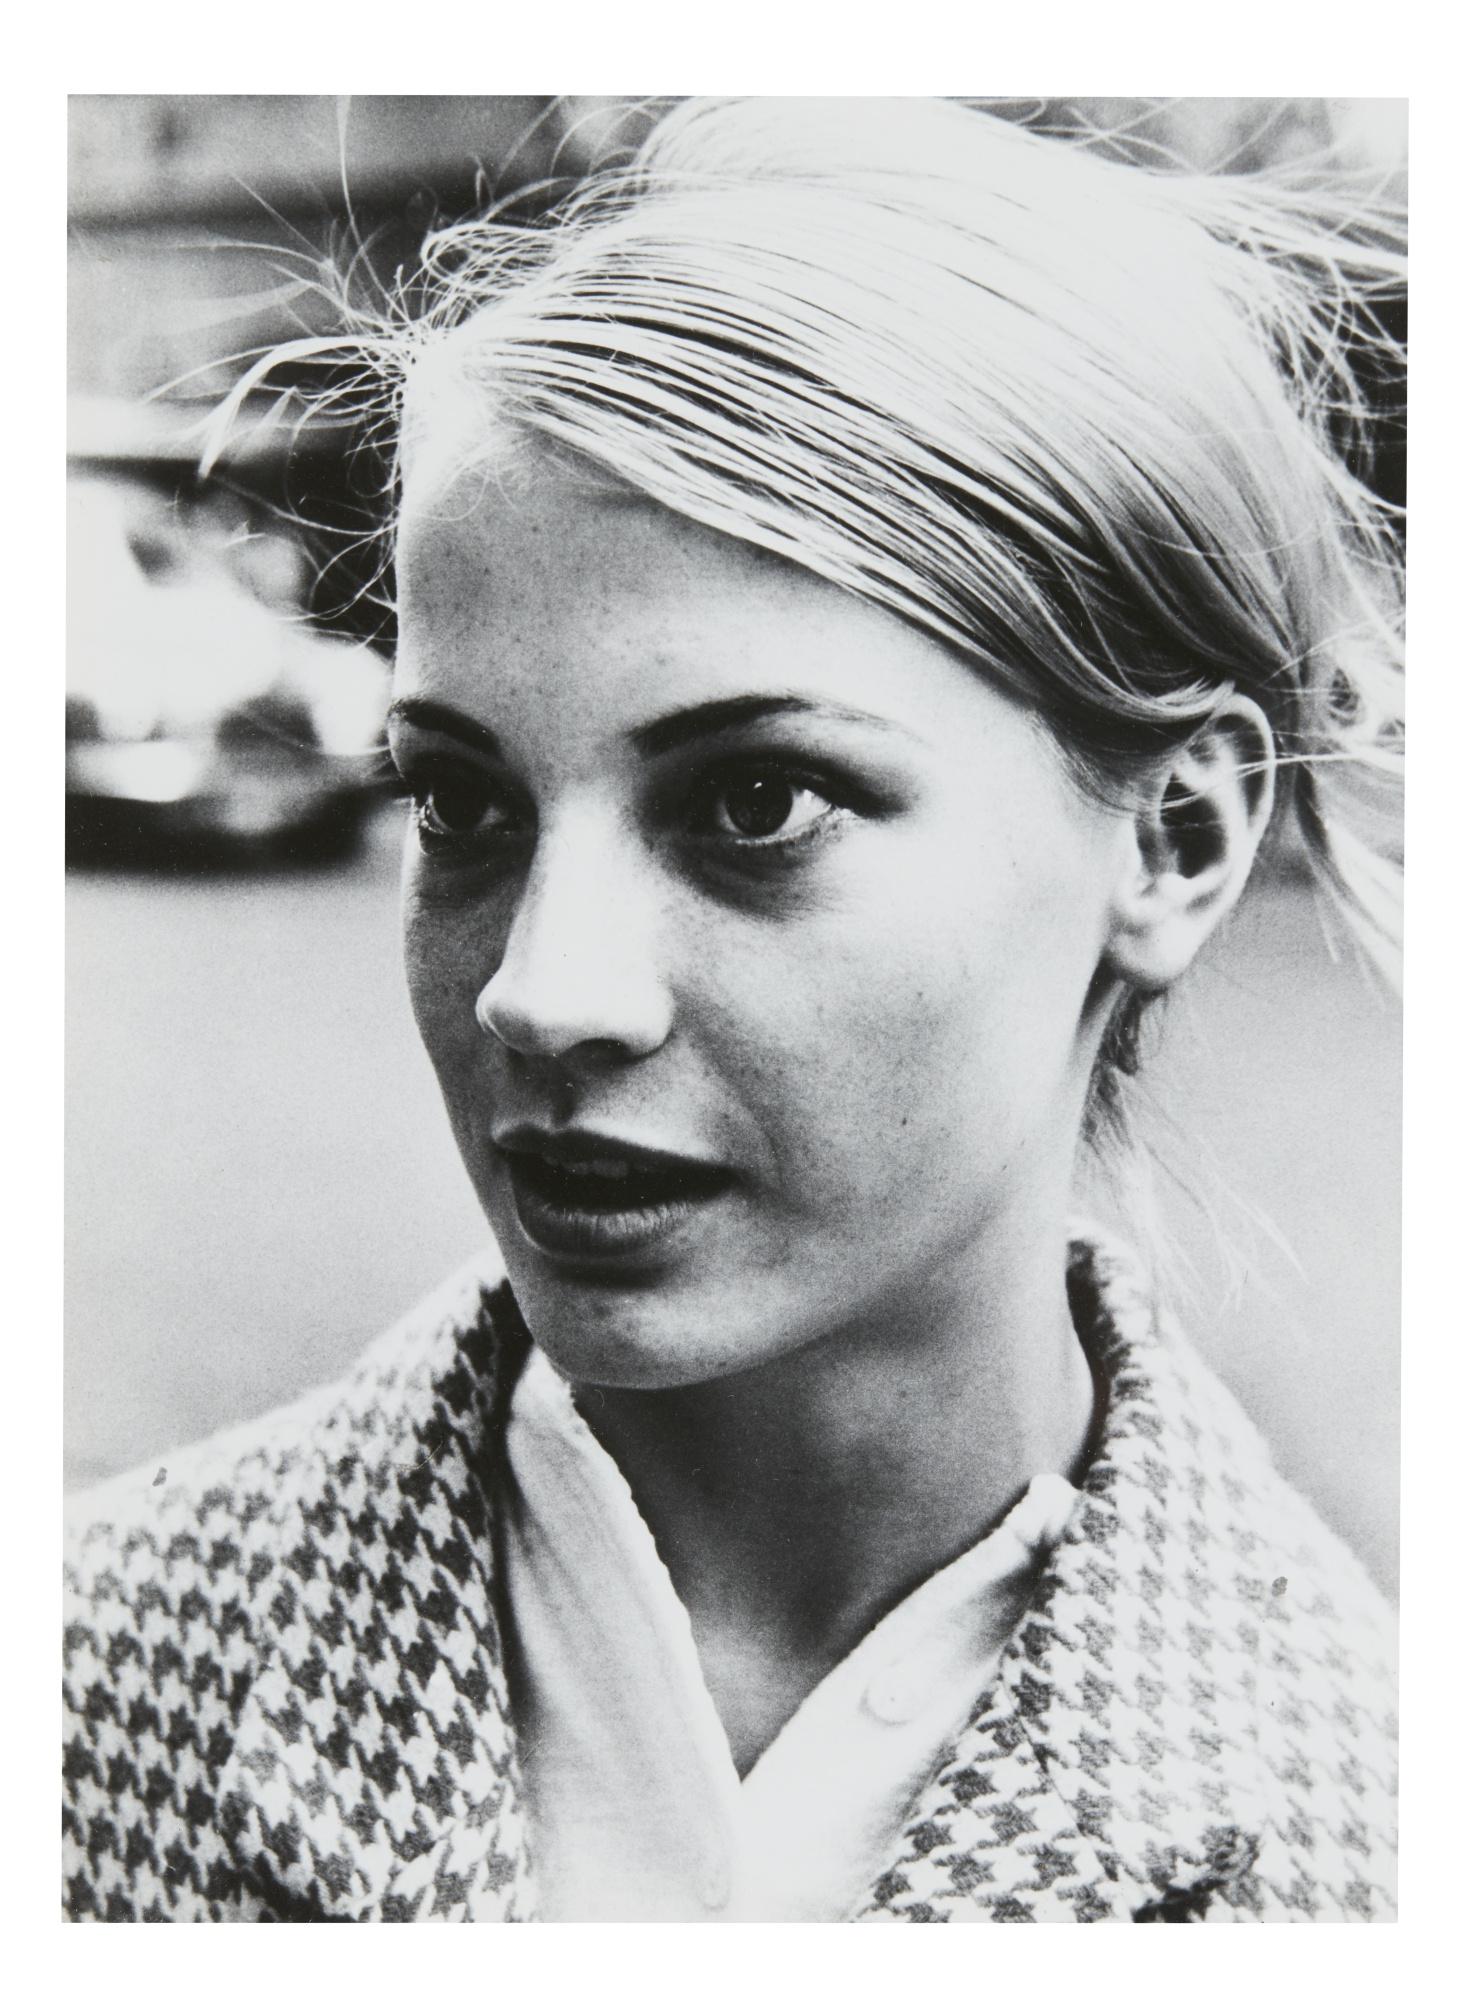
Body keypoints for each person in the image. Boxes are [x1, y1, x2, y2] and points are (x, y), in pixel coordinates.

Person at [63, 97, 1403, 1923]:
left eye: (754, 804)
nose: (543, 990)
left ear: (1173, 836)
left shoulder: (1372, 1846)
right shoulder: (88, 1687)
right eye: (464, 803)